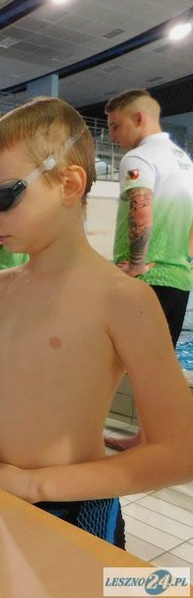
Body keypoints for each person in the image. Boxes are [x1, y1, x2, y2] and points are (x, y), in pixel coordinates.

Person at [0, 97, 193, 548]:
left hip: (75, 511)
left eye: (3, 196)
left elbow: (180, 453)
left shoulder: (122, 299)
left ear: (69, 184)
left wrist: (35, 485)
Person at [103, 89, 193, 451]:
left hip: (146, 279)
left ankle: (79, 427)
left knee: (112, 359)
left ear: (139, 118)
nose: (111, 136)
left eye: (115, 126)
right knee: (155, 368)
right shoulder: (185, 161)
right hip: (179, 277)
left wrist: (136, 264)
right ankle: (150, 439)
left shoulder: (138, 158)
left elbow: (141, 209)